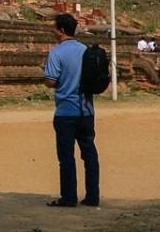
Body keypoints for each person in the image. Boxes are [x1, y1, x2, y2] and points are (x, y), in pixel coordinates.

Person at [43, 12, 99, 209]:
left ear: (62, 31)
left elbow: (51, 81)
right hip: (86, 110)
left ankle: (69, 197)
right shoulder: (86, 51)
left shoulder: (56, 53)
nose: (53, 31)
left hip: (66, 111)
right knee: (89, 154)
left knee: (66, 157)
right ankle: (93, 196)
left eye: (54, 27)